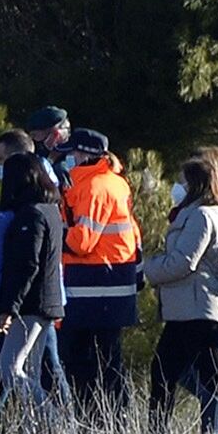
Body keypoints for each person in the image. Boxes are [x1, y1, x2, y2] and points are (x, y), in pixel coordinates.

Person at [143, 148, 218, 434]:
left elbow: (183, 262)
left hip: (198, 309)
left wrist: (146, 268)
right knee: (163, 372)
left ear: (196, 184)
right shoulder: (201, 214)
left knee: (214, 379)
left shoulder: (202, 216)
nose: (179, 187)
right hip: (187, 309)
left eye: (184, 181)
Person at [52, 123, 143, 418]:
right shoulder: (114, 182)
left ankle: (101, 425)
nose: (68, 160)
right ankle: (112, 425)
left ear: (82, 155)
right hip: (111, 288)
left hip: (93, 291)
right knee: (107, 364)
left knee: (87, 365)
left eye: (71, 154)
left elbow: (82, 242)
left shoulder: (93, 187)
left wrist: (53, 229)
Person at [0, 143, 69, 430]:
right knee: (30, 370)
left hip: (31, 304)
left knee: (8, 369)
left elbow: (25, 266)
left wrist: (8, 307)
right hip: (47, 303)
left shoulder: (30, 216)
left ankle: (56, 424)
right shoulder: (51, 211)